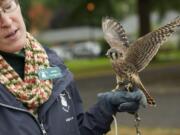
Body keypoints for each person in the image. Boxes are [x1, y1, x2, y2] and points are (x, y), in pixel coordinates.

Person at [0, 0, 147, 135]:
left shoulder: (53, 63)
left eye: (8, 7)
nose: (6, 21)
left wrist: (106, 107)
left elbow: (76, 130)